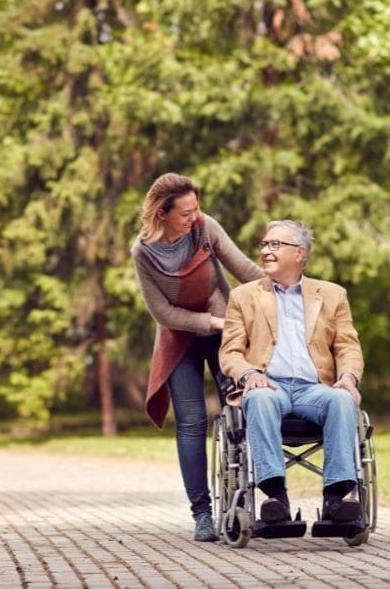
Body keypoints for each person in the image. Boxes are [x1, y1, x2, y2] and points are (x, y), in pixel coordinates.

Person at [131, 173, 263, 542]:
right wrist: (211, 322)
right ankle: (202, 514)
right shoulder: (143, 253)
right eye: (184, 213)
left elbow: (245, 271)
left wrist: (288, 291)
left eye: (195, 209)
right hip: (180, 335)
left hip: (223, 330)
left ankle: (247, 500)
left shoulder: (205, 228)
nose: (193, 217)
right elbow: (163, 313)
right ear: (162, 212)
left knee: (239, 409)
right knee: (190, 422)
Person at [219, 219, 365, 527]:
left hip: (315, 389)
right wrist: (247, 375)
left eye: (275, 245)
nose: (266, 252)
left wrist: (348, 377)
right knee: (258, 398)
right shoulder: (243, 297)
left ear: (299, 253)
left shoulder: (332, 295)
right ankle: (275, 499)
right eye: (264, 245)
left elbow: (348, 347)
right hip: (269, 386)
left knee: (342, 400)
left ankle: (336, 501)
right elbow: (230, 352)